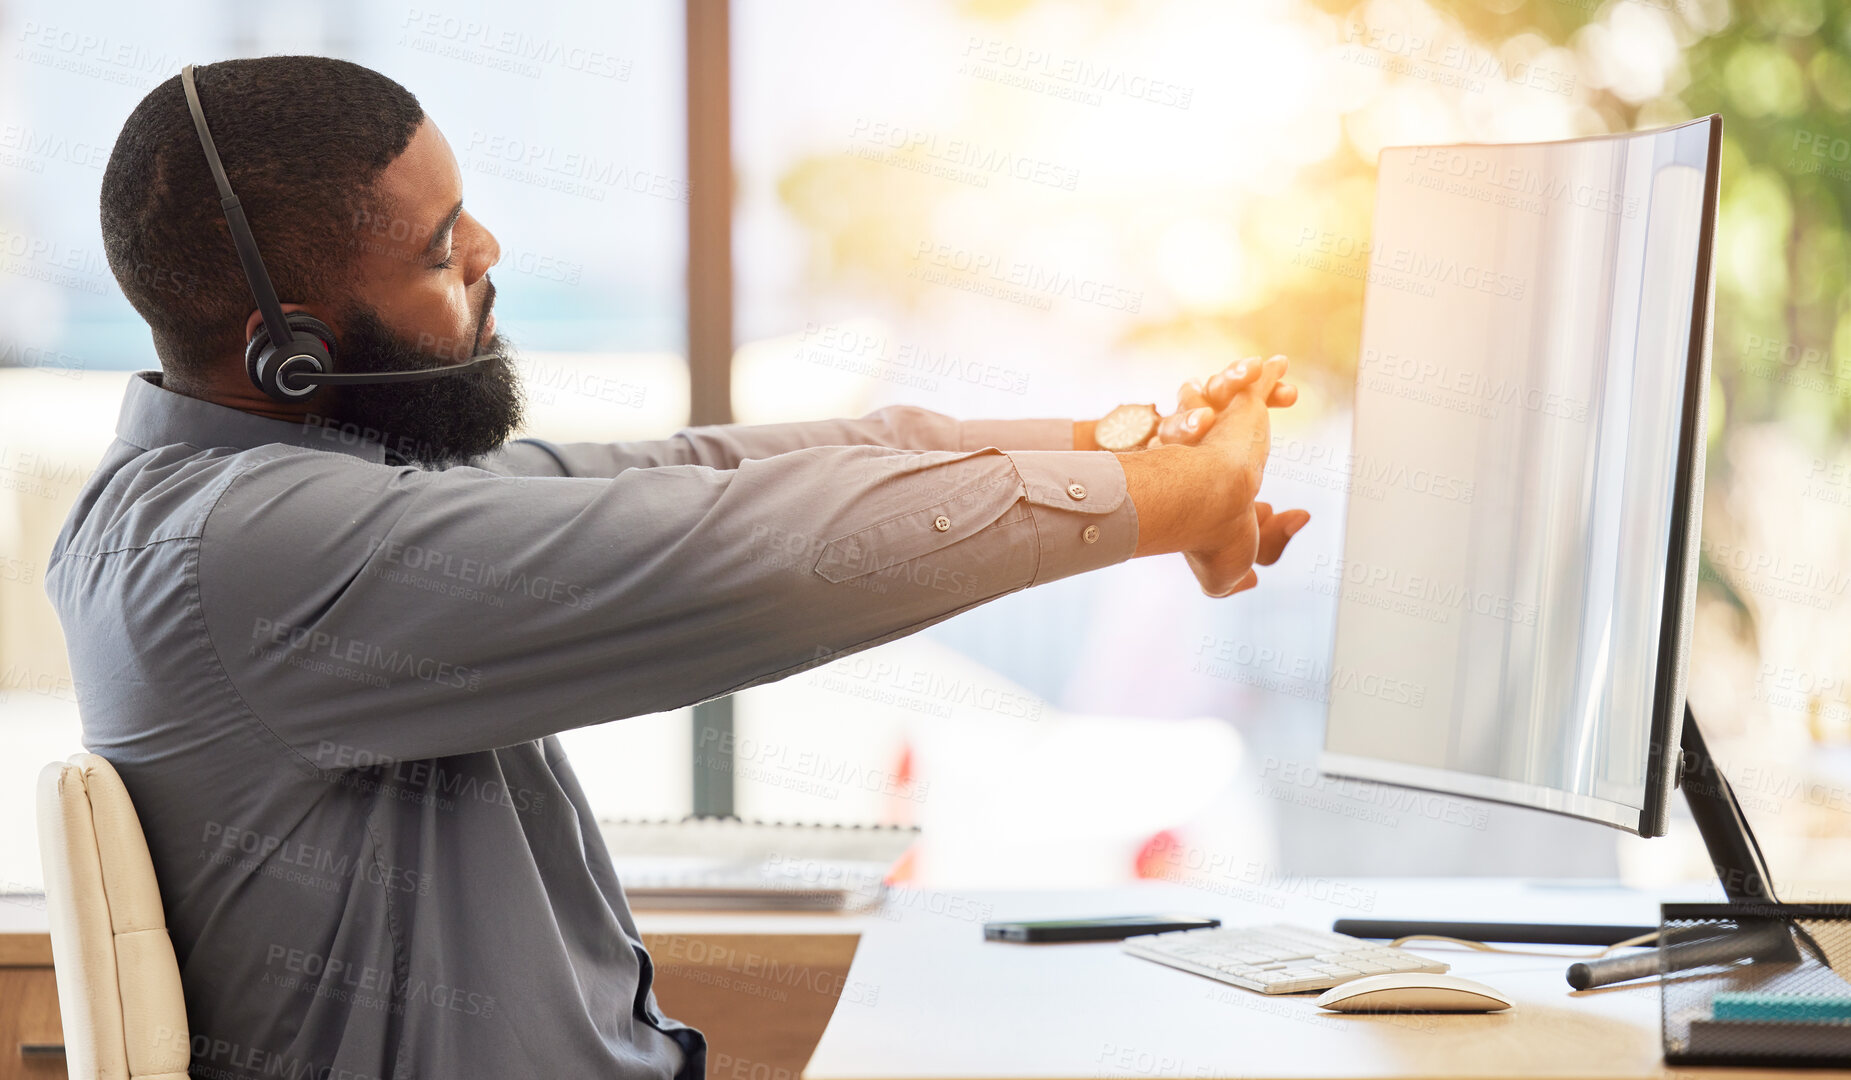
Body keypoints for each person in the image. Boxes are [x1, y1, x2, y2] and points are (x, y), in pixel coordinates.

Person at [50, 55, 1308, 1080]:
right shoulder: (250, 554)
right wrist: (1173, 501)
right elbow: (747, 555)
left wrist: (1118, 450)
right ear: (294, 355)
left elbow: (701, 471)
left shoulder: (294, 494)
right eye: (440, 253)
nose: (488, 252)